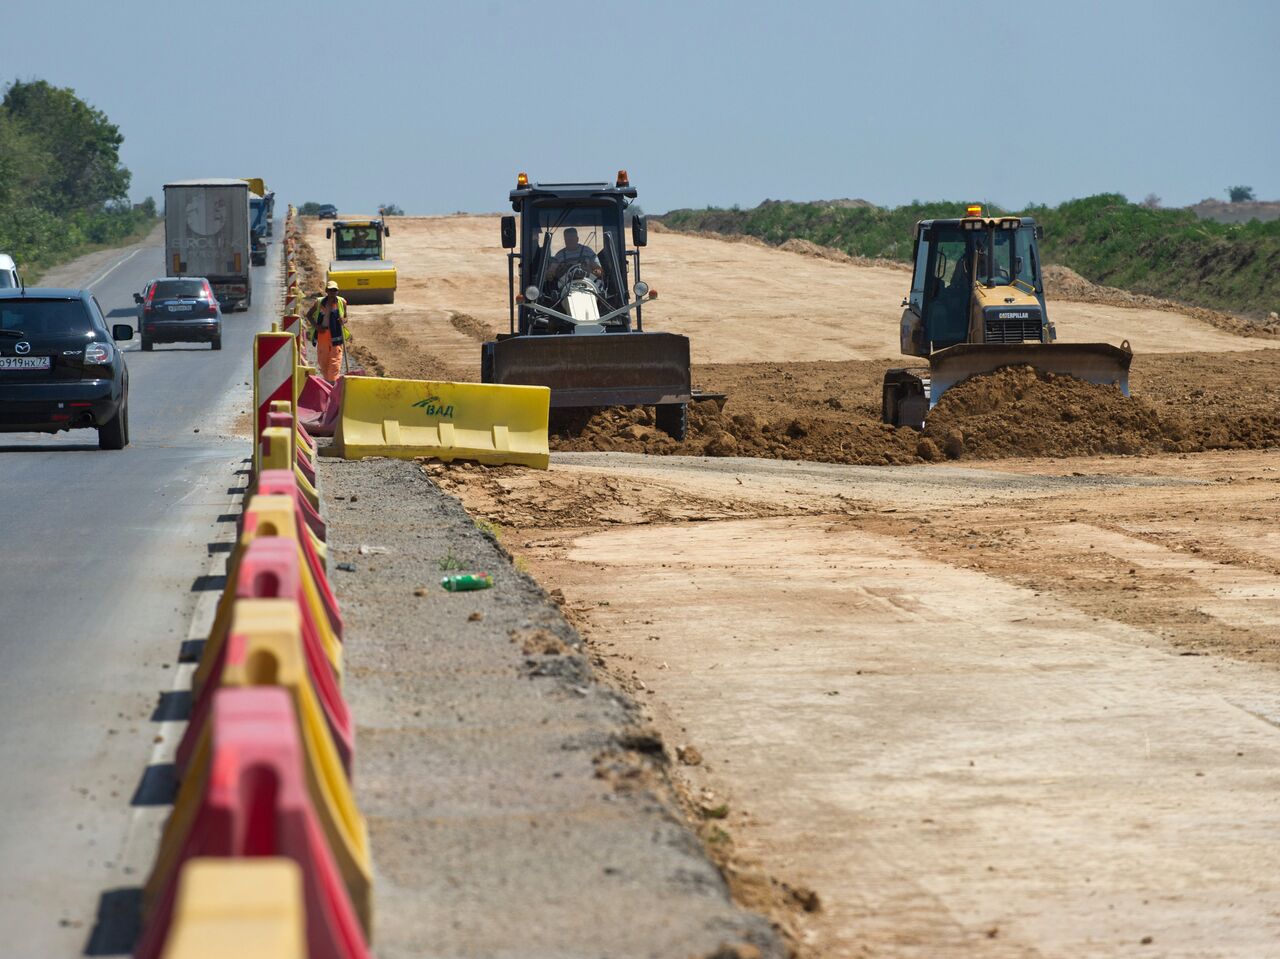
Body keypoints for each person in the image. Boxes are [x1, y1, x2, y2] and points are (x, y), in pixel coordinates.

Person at [307, 280, 352, 383]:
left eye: (334, 291)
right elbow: (309, 315)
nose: (332, 293)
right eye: (330, 290)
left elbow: (346, 317)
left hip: (336, 336)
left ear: (337, 291)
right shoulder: (319, 302)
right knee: (323, 362)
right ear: (326, 291)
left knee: (335, 362)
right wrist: (317, 326)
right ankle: (328, 383)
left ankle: (332, 385)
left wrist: (343, 320)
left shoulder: (342, 302)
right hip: (323, 335)